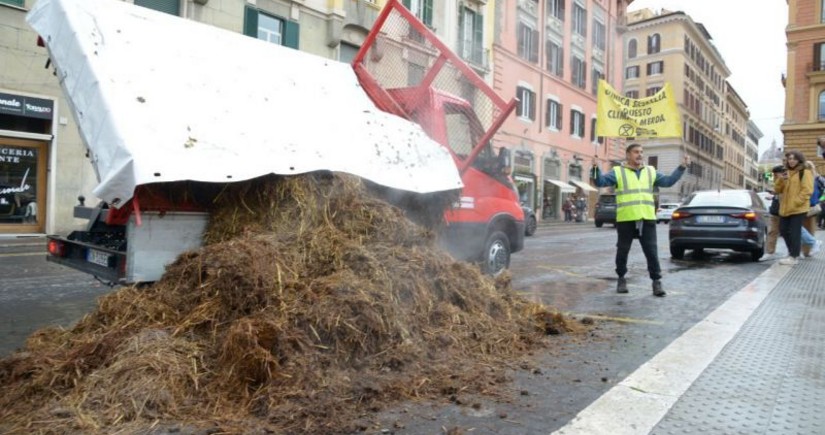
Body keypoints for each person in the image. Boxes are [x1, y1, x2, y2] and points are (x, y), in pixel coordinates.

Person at [593, 143, 689, 297]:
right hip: (626, 218)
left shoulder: (650, 171)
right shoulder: (618, 172)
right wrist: (595, 168)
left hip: (647, 218)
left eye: (641, 152)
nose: (640, 155)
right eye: (636, 152)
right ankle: (621, 279)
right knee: (623, 251)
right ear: (628, 155)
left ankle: (656, 282)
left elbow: (669, 181)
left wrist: (682, 167)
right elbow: (600, 182)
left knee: (651, 252)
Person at [774, 150, 814, 266]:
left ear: (799, 160)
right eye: (789, 159)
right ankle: (792, 252)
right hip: (785, 208)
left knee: (794, 232)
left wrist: (796, 202)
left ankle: (794, 256)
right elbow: (777, 190)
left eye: (794, 159)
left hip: (798, 208)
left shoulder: (805, 172)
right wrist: (781, 179)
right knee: (783, 230)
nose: (791, 161)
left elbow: (807, 190)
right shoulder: (786, 172)